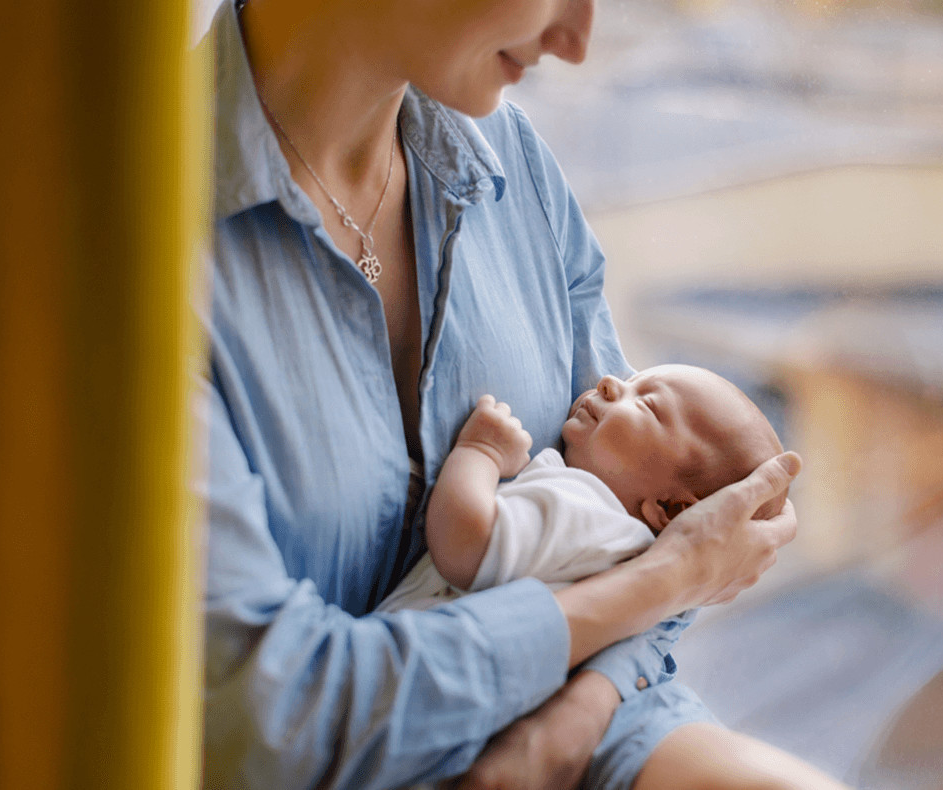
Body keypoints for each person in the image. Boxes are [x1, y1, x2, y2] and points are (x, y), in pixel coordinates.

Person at [198, 0, 846, 788]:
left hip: (582, 714)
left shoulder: (513, 162)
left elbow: (659, 522)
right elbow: (268, 724)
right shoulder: (139, 241)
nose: (575, 41)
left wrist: (573, 720)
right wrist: (665, 583)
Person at [378, 364, 788, 613]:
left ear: (671, 507)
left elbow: (467, 545)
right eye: (631, 379)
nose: (609, 381)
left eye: (646, 404)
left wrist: (479, 451)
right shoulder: (630, 554)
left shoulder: (586, 512)